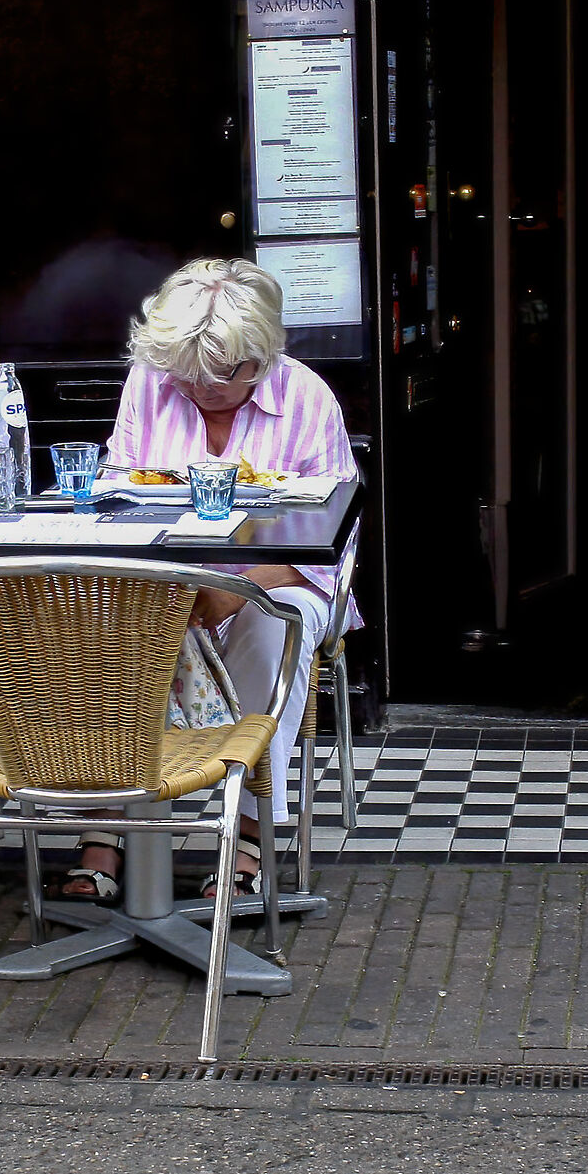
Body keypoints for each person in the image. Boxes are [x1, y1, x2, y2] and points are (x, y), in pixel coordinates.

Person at [62, 257, 359, 904]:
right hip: (163, 577)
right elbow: (119, 492)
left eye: (226, 373)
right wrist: (167, 584)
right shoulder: (151, 381)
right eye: (188, 373)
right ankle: (111, 823)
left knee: (269, 616)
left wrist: (238, 586)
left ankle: (250, 834)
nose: (204, 388)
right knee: (109, 622)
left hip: (281, 577)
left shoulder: (307, 399)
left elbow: (331, 543)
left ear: (263, 351)